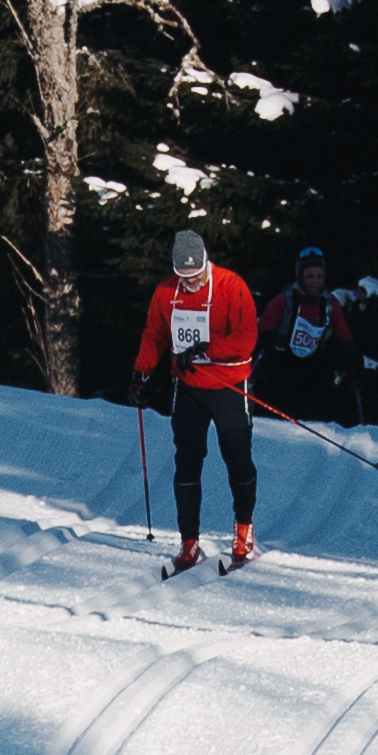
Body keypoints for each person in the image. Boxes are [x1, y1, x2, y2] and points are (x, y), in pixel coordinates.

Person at [134, 220, 260, 575]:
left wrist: (207, 348)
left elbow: (246, 339)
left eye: (196, 275)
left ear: (206, 263)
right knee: (187, 462)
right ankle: (189, 542)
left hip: (230, 385)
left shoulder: (232, 286)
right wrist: (140, 374)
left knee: (237, 459)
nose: (191, 283)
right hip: (188, 387)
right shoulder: (166, 293)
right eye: (183, 277)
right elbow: (154, 334)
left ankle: (243, 533)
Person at [257, 240, 362, 425]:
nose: (315, 281)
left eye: (320, 276)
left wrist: (352, 359)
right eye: (310, 276)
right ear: (300, 277)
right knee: (273, 407)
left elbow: (343, 334)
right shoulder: (285, 300)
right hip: (286, 364)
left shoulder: (330, 304)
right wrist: (271, 337)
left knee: (330, 411)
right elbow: (263, 328)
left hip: (316, 366)